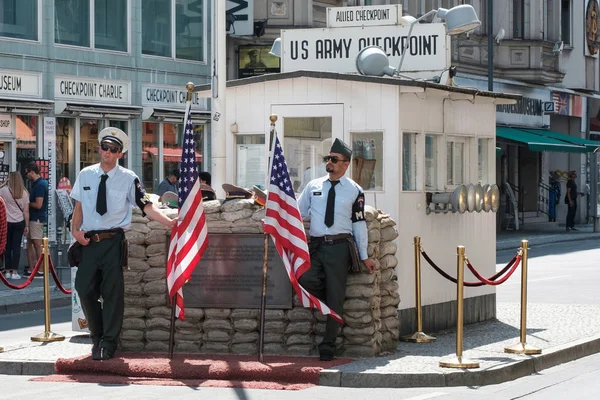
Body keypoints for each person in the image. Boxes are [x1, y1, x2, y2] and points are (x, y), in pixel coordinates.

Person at [71, 127, 176, 361]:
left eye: (113, 149)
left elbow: (146, 206)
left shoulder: (129, 178)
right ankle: (96, 335)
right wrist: (75, 232)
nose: (107, 152)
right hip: (88, 241)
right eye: (104, 147)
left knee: (112, 294)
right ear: (99, 147)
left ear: (120, 154)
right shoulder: (86, 174)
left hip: (113, 241)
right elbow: (78, 207)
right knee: (83, 288)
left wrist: (169, 223)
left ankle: (108, 343)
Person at [297, 138, 377, 361]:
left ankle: (328, 344)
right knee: (305, 278)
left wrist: (364, 256)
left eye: (334, 160)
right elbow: (298, 213)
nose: (329, 163)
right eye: (327, 159)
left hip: (340, 247)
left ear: (345, 164)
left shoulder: (355, 191)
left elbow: (359, 224)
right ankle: (328, 304)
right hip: (317, 245)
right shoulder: (314, 186)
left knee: (337, 295)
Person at [0, 172, 29, 279]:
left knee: (7, 247)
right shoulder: (24, 193)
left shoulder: (4, 191)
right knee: (16, 247)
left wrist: (3, 184)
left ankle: (7, 271)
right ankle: (15, 272)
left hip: (7, 222)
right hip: (19, 222)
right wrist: (26, 225)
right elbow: (26, 211)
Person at [23, 162, 48, 278]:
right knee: (30, 244)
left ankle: (41, 270)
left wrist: (26, 204)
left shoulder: (40, 185)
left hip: (36, 218)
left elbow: (38, 204)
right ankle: (32, 268)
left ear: (32, 172)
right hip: (34, 218)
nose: (26, 175)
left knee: (37, 244)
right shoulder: (38, 184)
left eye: (27, 173)